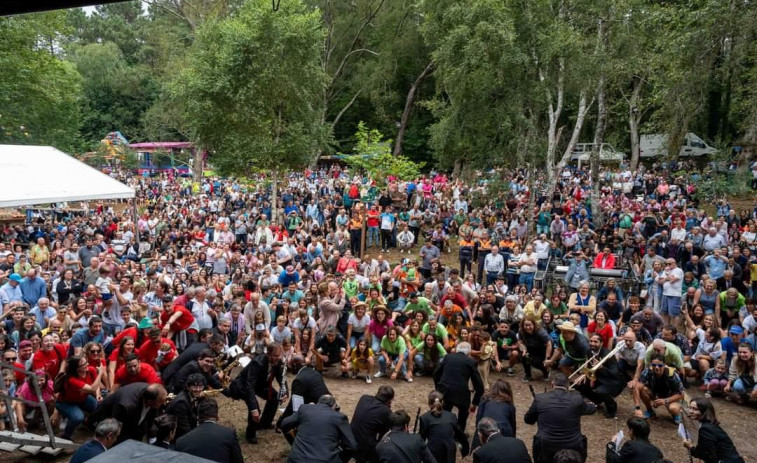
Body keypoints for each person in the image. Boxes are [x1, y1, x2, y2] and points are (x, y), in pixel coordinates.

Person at [524, 372, 595, 463]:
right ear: (568, 387)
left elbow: (528, 420)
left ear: (552, 384)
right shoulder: (577, 399)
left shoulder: (540, 399)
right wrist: (591, 405)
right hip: (572, 446)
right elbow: (591, 409)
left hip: (545, 446)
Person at [225, 342, 286, 444]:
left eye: (280, 355)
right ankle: (250, 434)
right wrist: (253, 408)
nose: (278, 358)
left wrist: (285, 391)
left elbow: (281, 378)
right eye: (275, 355)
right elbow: (249, 385)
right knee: (255, 409)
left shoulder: (278, 361)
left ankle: (265, 423)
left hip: (260, 385)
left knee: (275, 397)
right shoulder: (258, 362)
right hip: (244, 386)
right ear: (268, 354)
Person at [281, 394, 357, 463]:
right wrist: (341, 459)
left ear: (318, 403)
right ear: (334, 406)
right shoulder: (339, 417)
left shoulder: (305, 409)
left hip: (296, 460)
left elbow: (284, 424)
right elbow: (352, 446)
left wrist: (293, 442)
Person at [88, 382, 168, 444]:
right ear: (150, 402)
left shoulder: (151, 394)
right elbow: (117, 429)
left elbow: (150, 419)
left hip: (132, 420)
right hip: (112, 419)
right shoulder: (127, 406)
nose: (163, 404)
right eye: (161, 402)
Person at [276, 354, 332, 442]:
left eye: (290, 365)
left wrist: (281, 421)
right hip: (329, 409)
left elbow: (294, 406)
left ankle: (299, 446)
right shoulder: (315, 372)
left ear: (295, 365)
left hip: (317, 415)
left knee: (287, 424)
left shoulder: (299, 380)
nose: (290, 367)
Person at [433, 341, 484, 431]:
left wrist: (438, 389)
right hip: (461, 392)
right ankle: (459, 433)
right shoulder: (471, 362)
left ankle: (444, 429)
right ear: (469, 352)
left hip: (445, 390)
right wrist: (474, 403)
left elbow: (436, 373)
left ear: (456, 350)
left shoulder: (447, 357)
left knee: (445, 410)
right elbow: (479, 386)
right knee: (463, 415)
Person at [176, 398, 244, 463]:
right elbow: (238, 461)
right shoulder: (229, 434)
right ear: (217, 417)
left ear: (198, 418)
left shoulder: (181, 442)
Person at [575, 334, 624, 419]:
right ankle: (596, 400)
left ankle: (612, 409)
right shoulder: (589, 351)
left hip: (611, 381)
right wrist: (585, 375)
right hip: (597, 377)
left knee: (601, 391)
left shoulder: (608, 355)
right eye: (591, 341)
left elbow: (614, 373)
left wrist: (601, 367)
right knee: (577, 383)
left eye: (595, 342)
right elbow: (589, 366)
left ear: (601, 343)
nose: (592, 343)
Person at [683, 397, 744, 463]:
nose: (691, 411)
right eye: (690, 408)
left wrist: (690, 447)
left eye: (695, 409)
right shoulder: (710, 425)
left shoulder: (706, 429)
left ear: (704, 411)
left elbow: (707, 455)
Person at [419, 391, 469, 463]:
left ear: (429, 404)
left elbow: (422, 438)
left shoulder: (424, 418)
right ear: (442, 403)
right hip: (449, 449)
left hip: (433, 449)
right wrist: (465, 450)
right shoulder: (451, 416)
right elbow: (460, 434)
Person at [632, 354, 684, 423]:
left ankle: (675, 414)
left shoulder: (672, 374)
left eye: (660, 365)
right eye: (654, 365)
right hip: (655, 394)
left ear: (665, 364)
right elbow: (637, 387)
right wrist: (637, 408)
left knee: (673, 408)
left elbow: (681, 394)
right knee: (643, 389)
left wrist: (665, 400)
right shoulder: (648, 371)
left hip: (670, 397)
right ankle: (650, 410)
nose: (656, 367)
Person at [350, 385, 394, 463]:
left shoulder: (364, 398)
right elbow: (383, 435)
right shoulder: (386, 411)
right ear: (389, 400)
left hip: (350, 438)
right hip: (364, 448)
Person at [471, 379, 516, 451]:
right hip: (505, 431)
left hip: (486, 429)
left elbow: (478, 420)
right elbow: (512, 425)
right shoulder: (510, 405)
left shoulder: (484, 400)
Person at [165, 373, 208, 439]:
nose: (198, 389)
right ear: (188, 387)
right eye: (195, 386)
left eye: (201, 386)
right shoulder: (181, 403)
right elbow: (184, 428)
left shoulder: (192, 396)